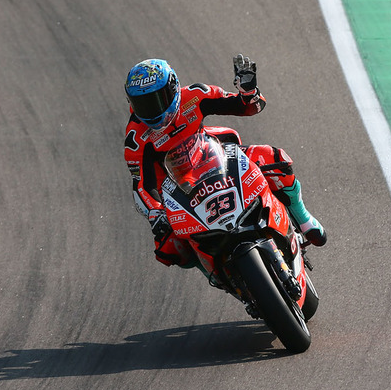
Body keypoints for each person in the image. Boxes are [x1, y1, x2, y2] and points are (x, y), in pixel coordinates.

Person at [123, 55, 326, 270]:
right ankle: (214, 271)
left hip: (214, 159)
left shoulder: (195, 96)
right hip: (178, 189)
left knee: (275, 159)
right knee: (168, 248)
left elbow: (249, 107)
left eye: (157, 100)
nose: (152, 111)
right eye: (142, 105)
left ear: (173, 89)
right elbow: (143, 185)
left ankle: (303, 219)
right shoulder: (136, 138)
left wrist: (248, 92)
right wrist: (156, 213)